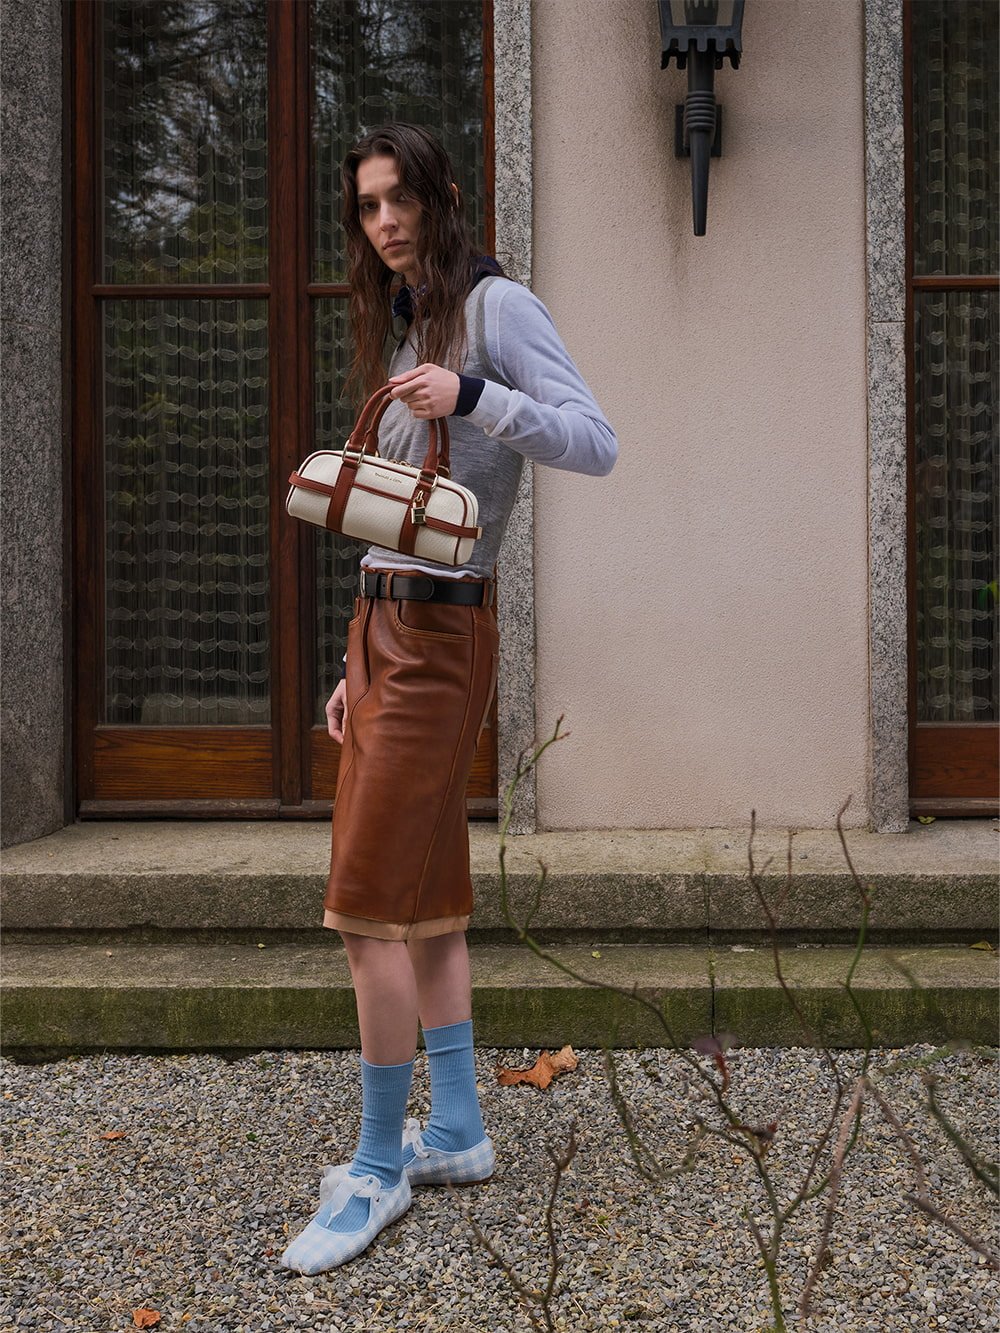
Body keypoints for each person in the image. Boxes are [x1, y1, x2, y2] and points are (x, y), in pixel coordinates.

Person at [281, 123, 617, 1274]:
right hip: (387, 632)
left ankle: (377, 1167)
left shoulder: (495, 310)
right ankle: (458, 1129)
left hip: (437, 636)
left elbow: (596, 442)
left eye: (399, 199)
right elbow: (390, 515)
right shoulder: (402, 318)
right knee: (421, 899)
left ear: (440, 196)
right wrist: (351, 659)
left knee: (363, 908)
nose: (383, 222)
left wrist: (476, 393)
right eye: (367, 207)